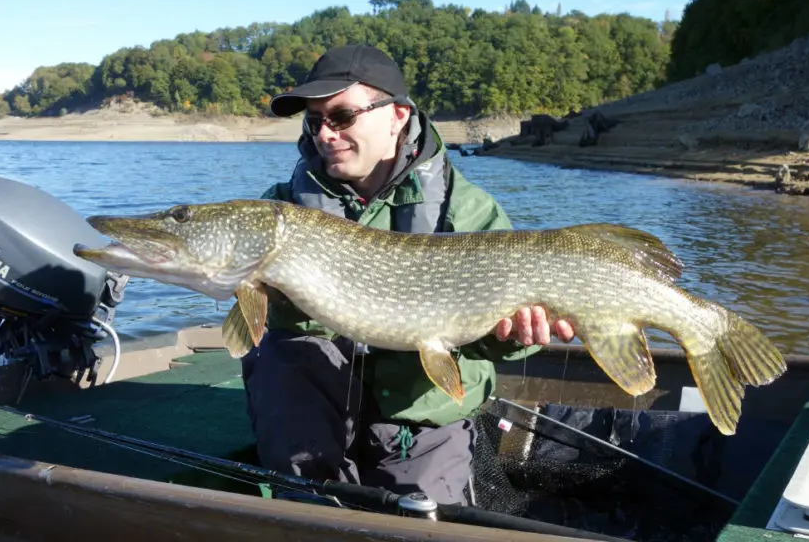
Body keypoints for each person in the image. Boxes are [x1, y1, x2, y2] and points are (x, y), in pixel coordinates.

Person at [241, 44, 573, 507]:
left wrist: (514, 336)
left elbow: (488, 339)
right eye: (314, 122)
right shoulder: (280, 212)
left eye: (341, 116)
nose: (325, 134)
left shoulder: (468, 210)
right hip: (311, 418)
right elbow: (264, 331)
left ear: (397, 115)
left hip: (420, 420)